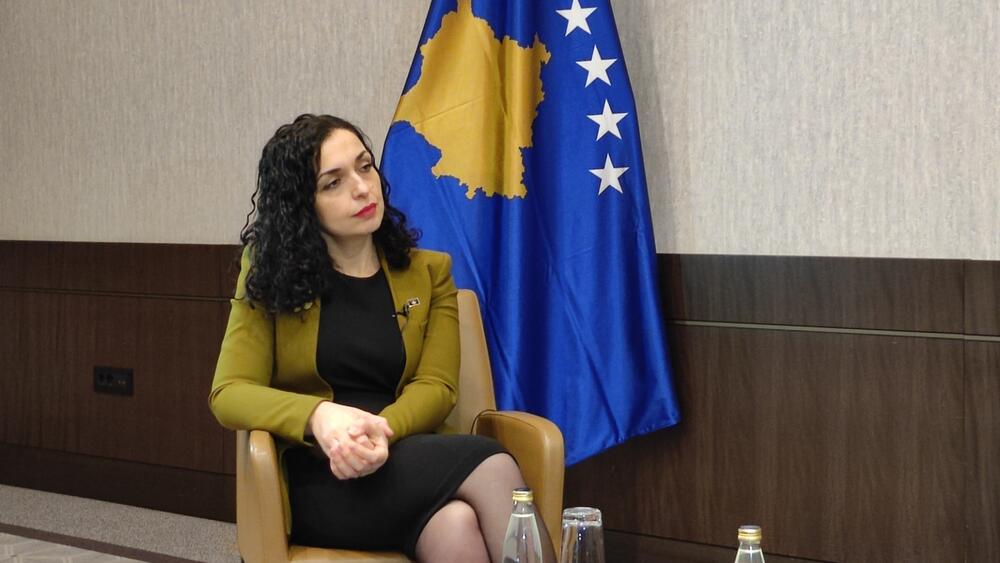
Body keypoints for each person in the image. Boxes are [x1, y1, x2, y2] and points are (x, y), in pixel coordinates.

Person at [209, 114, 554, 563]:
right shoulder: (269, 275)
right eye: (333, 183)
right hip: (324, 473)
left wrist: (382, 432)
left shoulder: (429, 273)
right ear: (302, 203)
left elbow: (437, 386)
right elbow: (229, 392)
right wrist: (320, 416)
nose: (361, 188)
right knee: (492, 463)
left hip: (404, 456)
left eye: (365, 167)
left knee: (456, 525)